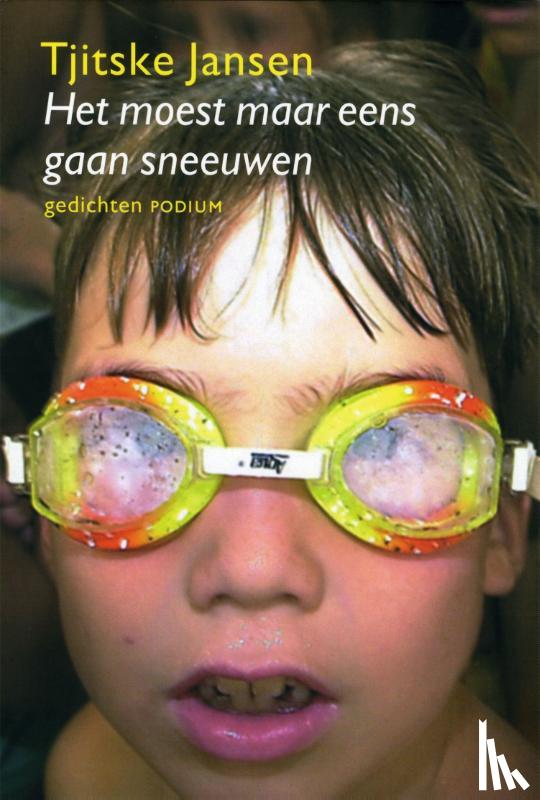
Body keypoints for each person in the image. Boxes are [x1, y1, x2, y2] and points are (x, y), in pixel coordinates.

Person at [2, 41, 538, 799]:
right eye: (133, 440)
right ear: (44, 503)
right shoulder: (90, 769)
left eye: (393, 445)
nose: (252, 569)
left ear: (505, 525)